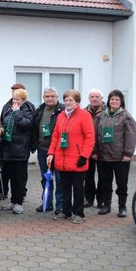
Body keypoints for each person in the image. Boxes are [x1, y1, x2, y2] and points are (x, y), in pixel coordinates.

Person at [46, 89, 95, 224]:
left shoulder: (84, 115)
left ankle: (79, 213)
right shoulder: (61, 116)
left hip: (77, 158)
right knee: (64, 187)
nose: (68, 102)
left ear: (77, 102)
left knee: (78, 188)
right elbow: (56, 136)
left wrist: (84, 155)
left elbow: (90, 137)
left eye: (71, 100)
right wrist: (51, 153)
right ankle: (66, 211)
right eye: (66, 100)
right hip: (62, 159)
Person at [94, 90, 136, 217]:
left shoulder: (126, 116)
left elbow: (131, 135)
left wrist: (128, 154)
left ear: (121, 102)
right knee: (105, 183)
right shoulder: (101, 116)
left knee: (122, 184)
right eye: (112, 99)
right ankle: (106, 205)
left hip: (120, 158)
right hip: (103, 156)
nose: (114, 101)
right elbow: (95, 134)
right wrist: (95, 151)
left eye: (117, 100)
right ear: (108, 101)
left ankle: (122, 207)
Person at [0, 88, 35, 214]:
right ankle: (12, 200)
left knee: (19, 178)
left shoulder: (28, 110)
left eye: (18, 99)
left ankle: (19, 202)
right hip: (8, 149)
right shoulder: (8, 108)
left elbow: (26, 125)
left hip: (20, 150)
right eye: (14, 99)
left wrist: (17, 113)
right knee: (10, 176)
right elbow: (3, 123)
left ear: (24, 100)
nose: (15, 101)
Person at [31, 87, 64, 213]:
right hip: (43, 150)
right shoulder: (39, 110)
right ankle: (47, 202)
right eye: (47, 96)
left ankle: (60, 205)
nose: (49, 99)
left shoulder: (62, 110)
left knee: (60, 179)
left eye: (52, 96)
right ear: (43, 98)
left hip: (59, 151)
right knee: (46, 178)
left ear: (57, 97)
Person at [84, 89, 106, 208]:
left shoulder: (107, 112)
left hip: (103, 150)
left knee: (102, 176)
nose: (94, 99)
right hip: (87, 150)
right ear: (88, 98)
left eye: (97, 97)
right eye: (92, 97)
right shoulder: (83, 112)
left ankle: (101, 200)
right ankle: (89, 199)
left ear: (102, 98)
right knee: (88, 176)